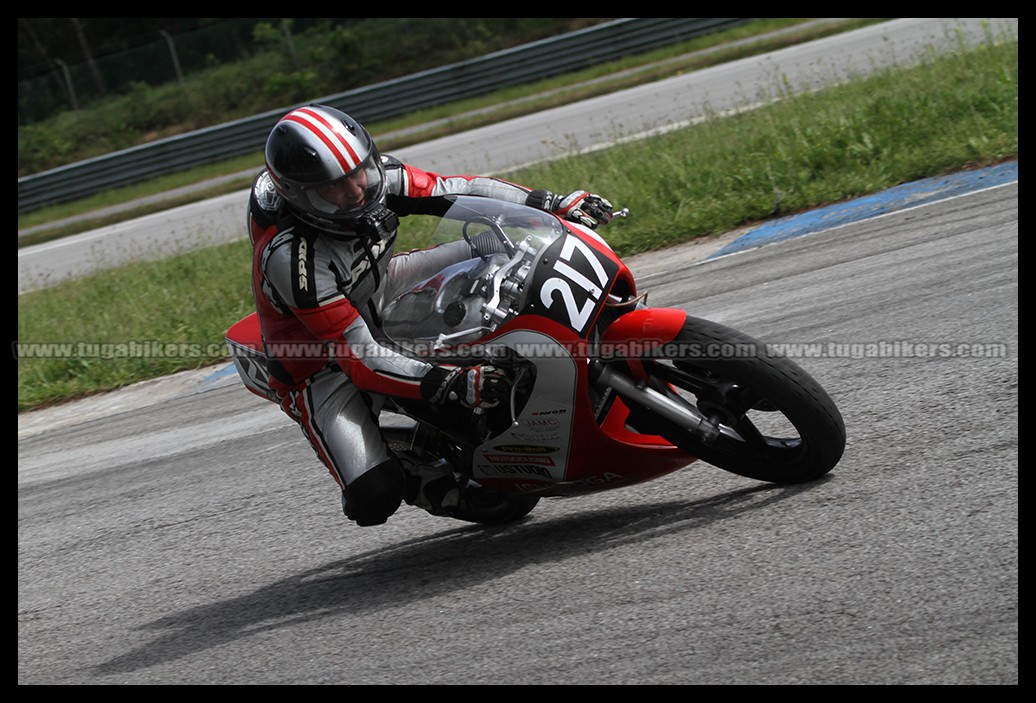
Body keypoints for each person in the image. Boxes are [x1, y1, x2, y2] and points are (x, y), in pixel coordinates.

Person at [247, 103, 614, 526]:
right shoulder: (294, 259)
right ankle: (420, 474)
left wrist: (549, 202)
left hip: (380, 284)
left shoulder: (375, 177)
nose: (356, 192)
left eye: (359, 172)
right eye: (336, 188)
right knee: (372, 497)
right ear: (302, 196)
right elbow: (360, 357)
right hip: (321, 362)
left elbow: (455, 189)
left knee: (496, 249)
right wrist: (449, 380)